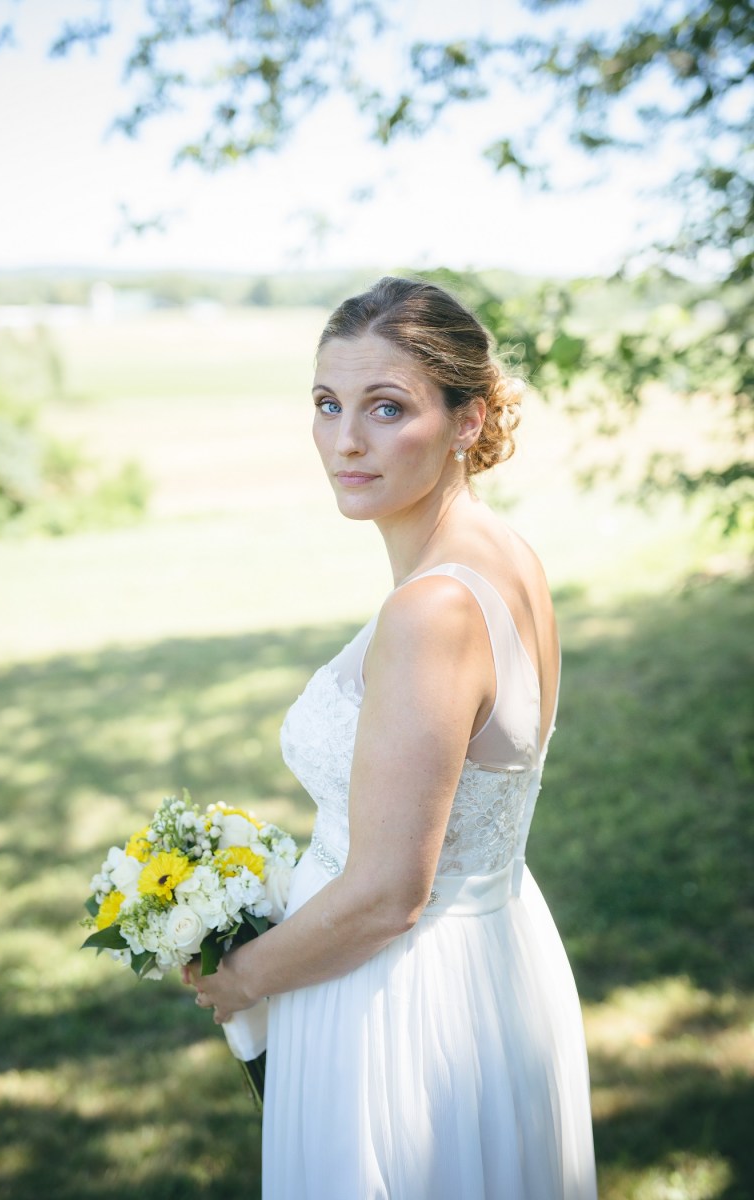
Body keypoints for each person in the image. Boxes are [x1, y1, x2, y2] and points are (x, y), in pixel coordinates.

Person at [185, 276, 598, 1199]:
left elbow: (385, 895)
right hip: (491, 956)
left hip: (399, 1000)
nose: (345, 440)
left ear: (467, 420)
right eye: (327, 404)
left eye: (386, 407)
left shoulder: (433, 610)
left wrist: (242, 978)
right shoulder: (503, 552)